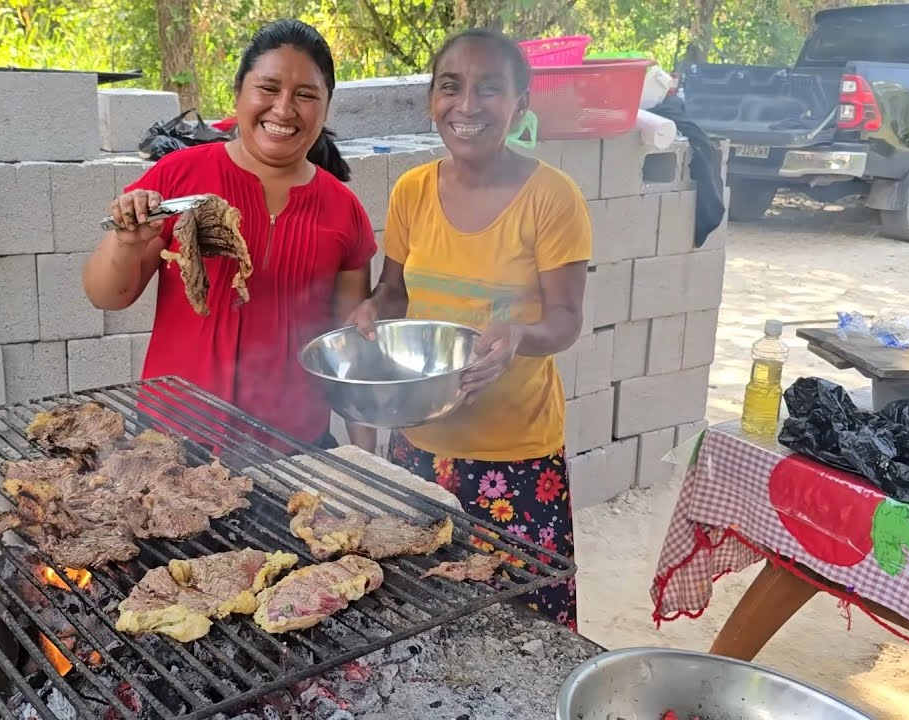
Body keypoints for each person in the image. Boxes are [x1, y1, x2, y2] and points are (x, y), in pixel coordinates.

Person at [347, 29, 592, 629]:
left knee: (522, 627)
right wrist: (370, 312)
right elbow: (393, 291)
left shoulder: (553, 199)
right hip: (420, 445)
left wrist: (519, 338)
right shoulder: (412, 193)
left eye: (490, 89)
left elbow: (564, 319)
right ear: (432, 99)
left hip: (515, 460)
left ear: (520, 104)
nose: (467, 105)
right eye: (450, 87)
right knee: (417, 620)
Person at [82, 18, 377, 452]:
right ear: (239, 92)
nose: (284, 108)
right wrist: (127, 242)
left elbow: (349, 351)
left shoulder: (343, 208)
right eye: (269, 88)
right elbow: (108, 296)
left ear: (326, 105)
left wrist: (365, 458)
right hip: (173, 443)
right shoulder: (178, 175)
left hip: (294, 448)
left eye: (306, 95)